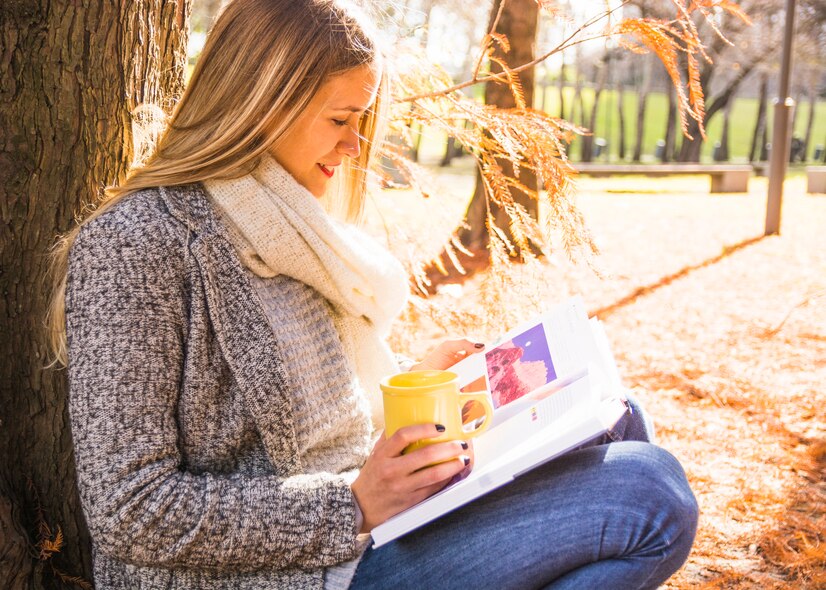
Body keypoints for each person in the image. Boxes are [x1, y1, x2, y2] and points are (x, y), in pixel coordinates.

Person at [49, 0, 698, 588]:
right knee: (650, 496)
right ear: (263, 102)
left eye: (361, 121)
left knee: (618, 419)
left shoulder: (288, 224)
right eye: (341, 119)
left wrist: (418, 388)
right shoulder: (136, 243)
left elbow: (317, 418)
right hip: (290, 570)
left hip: (366, 532)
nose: (355, 145)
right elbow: (128, 510)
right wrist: (354, 505)